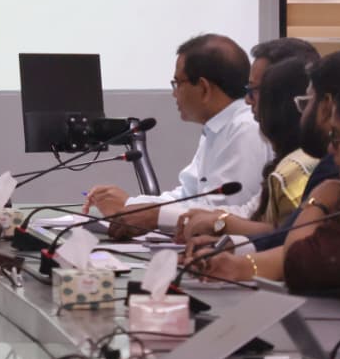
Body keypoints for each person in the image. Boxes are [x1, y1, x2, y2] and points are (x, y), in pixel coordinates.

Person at [194, 74, 340, 334]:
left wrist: (317, 201)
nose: (331, 149)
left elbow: (301, 266)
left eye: (338, 137)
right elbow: (324, 247)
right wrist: (241, 265)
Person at [178, 48, 340, 249]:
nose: (247, 101)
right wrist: (222, 227)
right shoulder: (323, 166)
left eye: (255, 91)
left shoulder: (311, 169)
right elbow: (275, 228)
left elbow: (292, 246)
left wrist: (224, 233)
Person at [84, 34, 270, 237]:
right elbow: (187, 196)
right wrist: (131, 205)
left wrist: (148, 213)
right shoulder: (217, 128)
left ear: (204, 88)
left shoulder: (246, 130)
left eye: (177, 83)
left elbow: (224, 213)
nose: (174, 93)